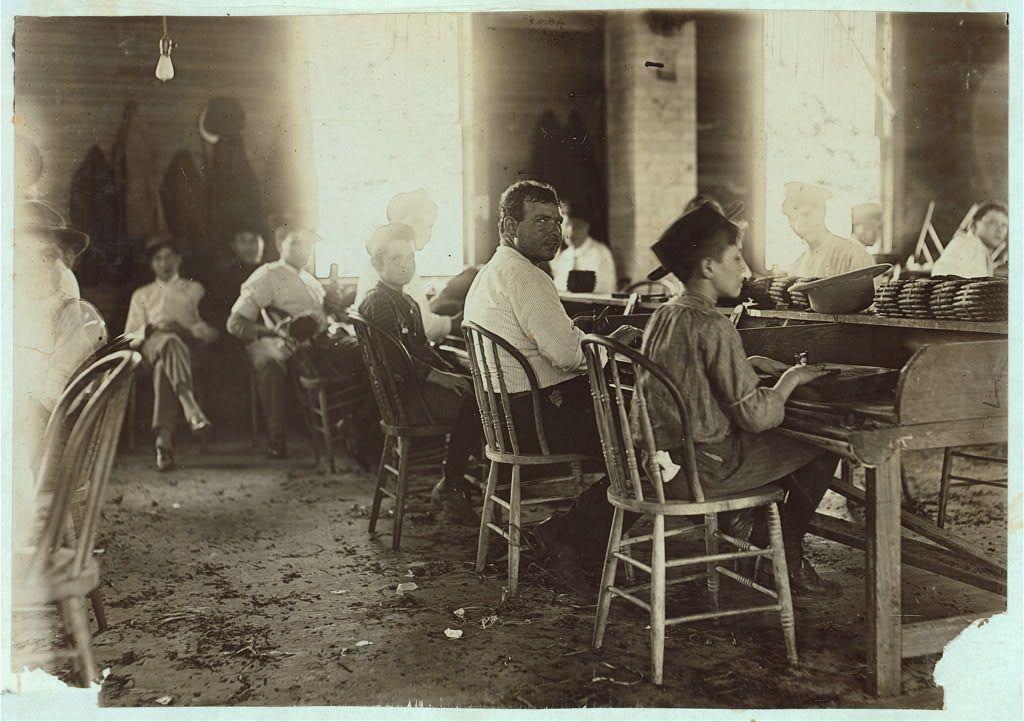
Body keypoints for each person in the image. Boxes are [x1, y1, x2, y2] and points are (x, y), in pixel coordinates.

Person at [639, 200, 841, 597]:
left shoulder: (665, 315)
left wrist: (746, 364)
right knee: (821, 443)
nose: (745, 269)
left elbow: (693, 375)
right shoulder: (715, 324)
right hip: (705, 473)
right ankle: (784, 554)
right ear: (708, 268)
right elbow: (755, 417)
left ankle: (755, 531)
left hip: (663, 467)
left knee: (782, 443)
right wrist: (789, 378)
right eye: (735, 257)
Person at [463, 180, 643, 590]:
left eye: (557, 221)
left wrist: (574, 334)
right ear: (510, 226)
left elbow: (544, 341)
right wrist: (609, 347)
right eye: (541, 219)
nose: (554, 230)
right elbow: (567, 357)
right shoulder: (528, 277)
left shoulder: (491, 272)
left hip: (505, 419)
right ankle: (567, 535)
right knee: (645, 453)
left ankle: (570, 533)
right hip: (538, 422)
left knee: (630, 444)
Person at [358, 223, 481, 524]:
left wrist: (454, 371)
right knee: (481, 406)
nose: (405, 265)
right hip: (407, 399)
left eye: (410, 257)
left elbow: (423, 349)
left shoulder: (406, 301)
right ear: (378, 264)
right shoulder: (379, 303)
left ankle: (458, 479)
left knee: (476, 389)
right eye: (396, 259)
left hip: (413, 390)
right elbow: (397, 362)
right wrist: (444, 378)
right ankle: (452, 484)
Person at [227, 227, 328, 458]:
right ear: (280, 244)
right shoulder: (268, 274)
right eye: (296, 243)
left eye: (309, 245)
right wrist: (272, 333)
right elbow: (235, 323)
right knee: (270, 361)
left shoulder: (311, 281)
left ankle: (347, 432)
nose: (304, 250)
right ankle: (277, 436)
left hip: (314, 343)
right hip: (276, 340)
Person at [125, 237, 218, 471]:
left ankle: (163, 442)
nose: (164, 263)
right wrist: (151, 329)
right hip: (150, 349)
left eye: (169, 257)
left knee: (166, 361)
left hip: (187, 350)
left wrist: (183, 329)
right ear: (152, 264)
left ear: (178, 260)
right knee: (165, 342)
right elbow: (130, 335)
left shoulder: (194, 289)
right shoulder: (142, 294)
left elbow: (211, 331)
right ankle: (191, 409)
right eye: (158, 259)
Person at [355, 189, 457, 343]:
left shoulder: (398, 262)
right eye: (423, 224)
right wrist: (457, 321)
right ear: (401, 223)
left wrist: (435, 304)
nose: (428, 233)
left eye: (431, 227)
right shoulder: (391, 266)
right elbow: (426, 328)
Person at [783, 182, 873, 278]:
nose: (799, 224)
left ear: (822, 211)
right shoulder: (797, 266)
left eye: (806, 214)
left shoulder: (851, 254)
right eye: (793, 218)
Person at [204, 226, 266, 330]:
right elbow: (208, 309)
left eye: (253, 241)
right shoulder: (223, 275)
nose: (249, 247)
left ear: (262, 244)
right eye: (243, 241)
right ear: (233, 245)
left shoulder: (272, 271)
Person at [550, 200, 617, 294]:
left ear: (586, 226)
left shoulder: (600, 253)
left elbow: (605, 291)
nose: (569, 231)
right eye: (565, 225)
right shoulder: (565, 255)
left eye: (575, 226)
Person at [931, 201, 1008, 278]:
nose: (1000, 229)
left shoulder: (982, 251)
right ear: (973, 225)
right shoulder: (967, 244)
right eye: (992, 222)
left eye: (1004, 225)